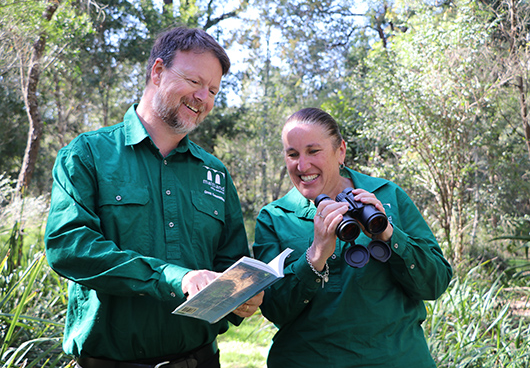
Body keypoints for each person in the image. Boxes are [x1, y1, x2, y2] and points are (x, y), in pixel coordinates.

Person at [44, 26, 263, 368]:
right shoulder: (87, 154)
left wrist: (241, 295)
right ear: (158, 71)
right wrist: (174, 277)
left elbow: (230, 261)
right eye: (194, 82)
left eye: (213, 91)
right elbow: (69, 247)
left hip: (201, 361)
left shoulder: (215, 173)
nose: (203, 98)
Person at [253, 107, 453, 367]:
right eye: (293, 154)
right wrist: (315, 255)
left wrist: (388, 234)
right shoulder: (275, 217)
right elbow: (274, 309)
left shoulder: (388, 195)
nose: (302, 166)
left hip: (398, 359)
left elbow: (435, 284)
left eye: (314, 151)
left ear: (341, 152)